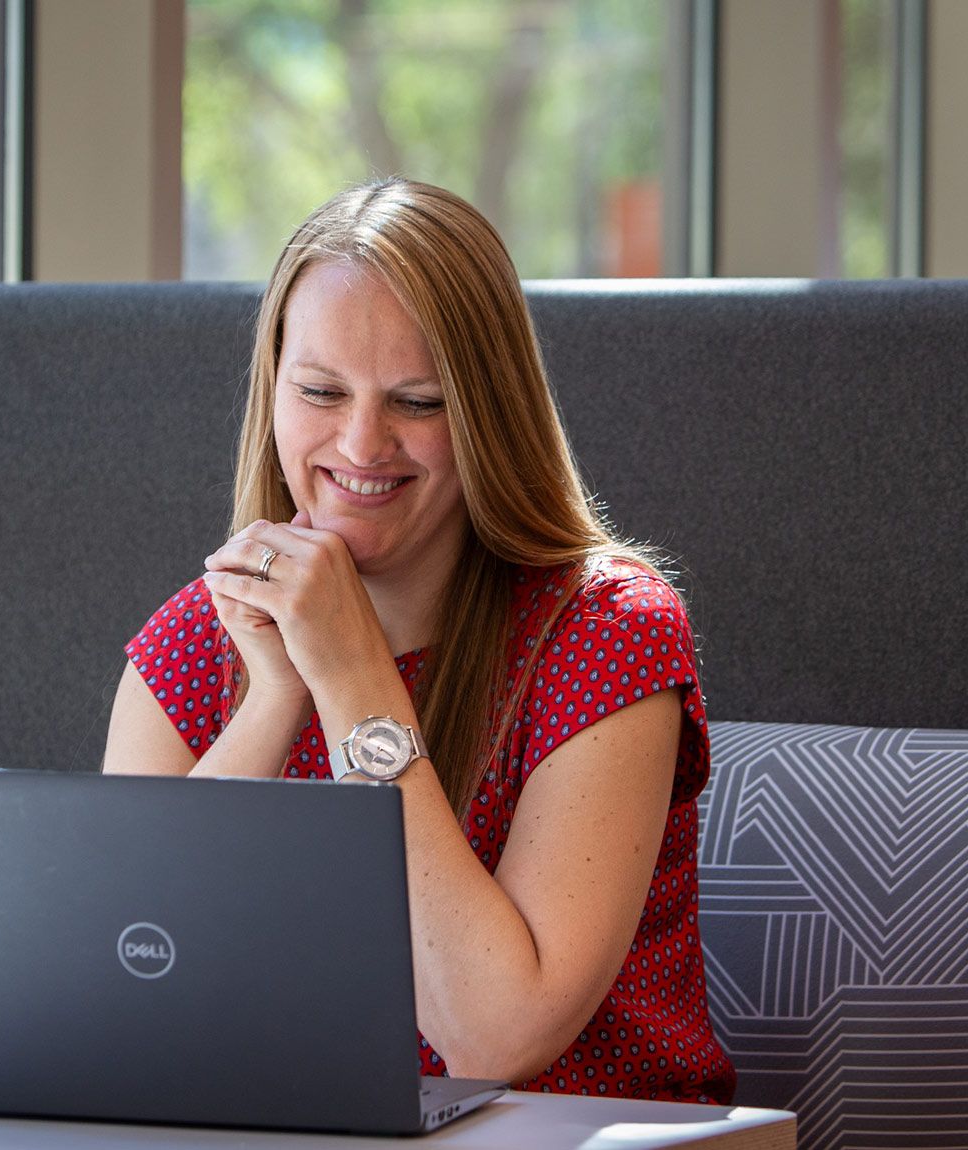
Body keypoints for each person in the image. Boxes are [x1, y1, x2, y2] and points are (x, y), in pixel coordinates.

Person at [101, 178, 734, 1104]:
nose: (362, 445)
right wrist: (277, 697)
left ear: (488, 412)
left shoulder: (607, 634)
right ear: (272, 390)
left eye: (419, 403)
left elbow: (494, 1033)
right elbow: (122, 984)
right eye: (320, 390)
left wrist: (353, 676)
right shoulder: (200, 638)